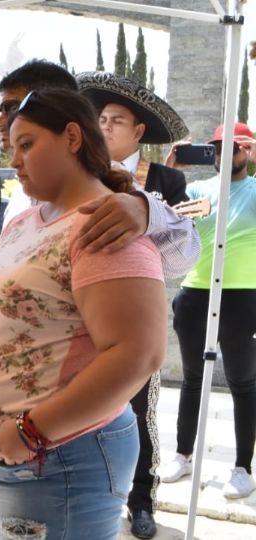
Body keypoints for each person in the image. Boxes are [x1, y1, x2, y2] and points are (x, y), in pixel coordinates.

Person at [0, 88, 167, 539]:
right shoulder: (27, 221)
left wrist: (33, 430)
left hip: (54, 457)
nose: (16, 160)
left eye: (27, 145)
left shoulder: (102, 226)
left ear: (71, 137)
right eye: (12, 149)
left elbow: (138, 353)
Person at [77, 70, 190, 539]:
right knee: (81, 404)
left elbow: (181, 254)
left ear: (139, 131)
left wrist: (145, 213)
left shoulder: (167, 179)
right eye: (99, 118)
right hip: (82, 309)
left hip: (138, 313)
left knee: (140, 409)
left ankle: (142, 500)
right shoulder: (83, 172)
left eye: (116, 120)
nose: (104, 127)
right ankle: (89, 492)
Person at [0, 60, 200, 280]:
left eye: (12, 108)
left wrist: (147, 211)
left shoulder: (105, 184)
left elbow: (182, 258)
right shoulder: (22, 191)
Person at [156, 122, 256, 501]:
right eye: (216, 148)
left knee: (243, 382)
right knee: (193, 379)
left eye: (231, 147)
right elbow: (163, 217)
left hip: (243, 296)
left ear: (246, 151)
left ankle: (243, 467)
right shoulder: (197, 190)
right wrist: (171, 171)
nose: (220, 154)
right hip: (196, 293)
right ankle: (182, 454)